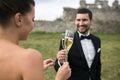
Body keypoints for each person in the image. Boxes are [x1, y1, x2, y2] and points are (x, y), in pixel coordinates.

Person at [0, 0, 71, 80]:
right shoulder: (29, 57)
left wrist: (33, 70)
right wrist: (60, 78)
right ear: (19, 19)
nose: (33, 25)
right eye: (32, 19)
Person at [54, 8, 101, 80]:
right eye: (78, 20)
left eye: (84, 20)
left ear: (91, 21)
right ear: (75, 21)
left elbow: (97, 65)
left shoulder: (97, 40)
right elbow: (58, 66)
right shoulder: (67, 40)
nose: (81, 23)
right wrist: (60, 61)